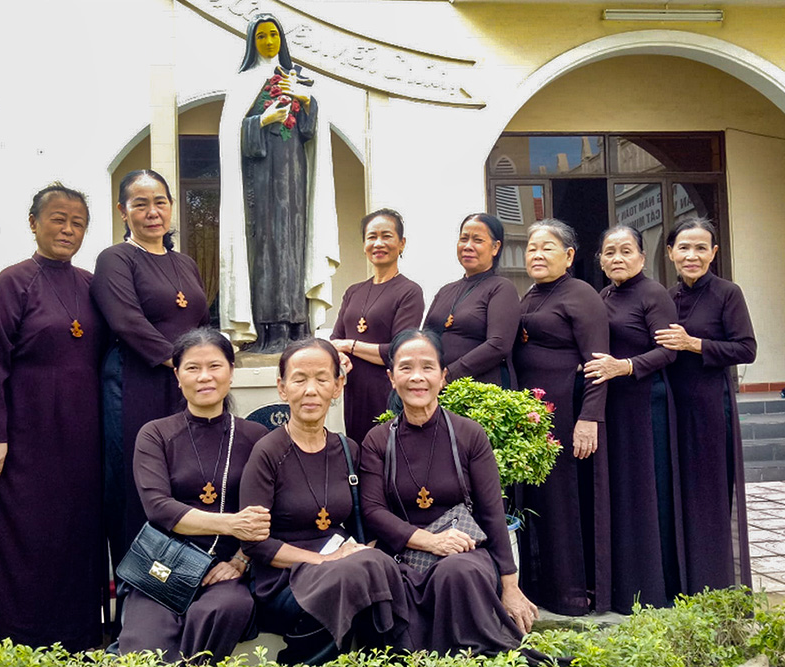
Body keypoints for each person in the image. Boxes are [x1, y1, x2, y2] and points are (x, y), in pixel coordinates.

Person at [0, 183, 106, 651]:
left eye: (78, 223)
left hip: (83, 437)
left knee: (76, 533)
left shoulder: (91, 285)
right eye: (58, 219)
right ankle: (19, 639)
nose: (68, 230)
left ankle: (79, 637)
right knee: (25, 535)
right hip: (23, 438)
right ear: (34, 223)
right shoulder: (12, 282)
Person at [360, 329, 539, 657]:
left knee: (457, 572)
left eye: (427, 368)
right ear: (391, 377)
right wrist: (429, 541)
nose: (417, 378)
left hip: (464, 556)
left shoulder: (468, 434)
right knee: (388, 580)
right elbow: (373, 510)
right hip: (405, 558)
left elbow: (491, 513)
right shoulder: (377, 439)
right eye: (406, 368)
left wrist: (510, 586)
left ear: (443, 377)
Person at [239, 339, 409, 665]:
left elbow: (369, 518)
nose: (311, 390)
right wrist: (327, 562)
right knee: (361, 570)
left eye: (322, 378)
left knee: (375, 563)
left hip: (348, 567)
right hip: (284, 579)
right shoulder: (267, 453)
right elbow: (254, 545)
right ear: (282, 387)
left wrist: (358, 552)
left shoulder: (348, 450)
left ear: (338, 385)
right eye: (300, 379)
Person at [116, 328, 270, 662]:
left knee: (230, 607)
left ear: (231, 371)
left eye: (215, 366)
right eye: (192, 368)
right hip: (163, 565)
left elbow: (266, 509)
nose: (204, 377)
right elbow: (159, 508)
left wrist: (241, 559)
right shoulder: (155, 434)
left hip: (224, 569)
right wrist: (233, 524)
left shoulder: (256, 437)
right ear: (177, 375)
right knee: (146, 646)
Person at [90, 170, 209, 587]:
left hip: (183, 388)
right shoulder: (115, 259)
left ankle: (182, 586)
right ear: (123, 211)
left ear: (171, 207)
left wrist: (208, 365)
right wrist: (184, 364)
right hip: (135, 384)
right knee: (136, 485)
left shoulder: (185, 263)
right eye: (140, 204)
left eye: (160, 201)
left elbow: (201, 322)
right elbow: (127, 321)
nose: (152, 212)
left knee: (184, 482)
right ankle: (134, 592)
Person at [218, 12, 339, 352]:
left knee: (295, 244)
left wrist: (302, 100)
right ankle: (268, 328)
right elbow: (231, 137)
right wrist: (261, 120)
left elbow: (311, 130)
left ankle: (297, 326)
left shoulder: (296, 79)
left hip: (295, 175)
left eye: (274, 36)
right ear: (252, 43)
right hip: (259, 181)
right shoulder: (242, 83)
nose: (269, 42)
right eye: (261, 37)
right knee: (266, 246)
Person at [512, 219, 611, 616]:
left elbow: (598, 363)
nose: (536, 254)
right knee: (541, 500)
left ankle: (573, 591)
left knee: (566, 499)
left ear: (569, 256)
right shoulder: (531, 295)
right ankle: (544, 585)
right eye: (532, 247)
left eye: (547, 247)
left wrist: (589, 418)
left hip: (568, 413)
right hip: (535, 417)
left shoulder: (581, 294)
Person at [583, 225, 684, 614]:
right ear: (601, 260)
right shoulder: (603, 296)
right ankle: (621, 586)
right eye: (609, 252)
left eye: (626, 251)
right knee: (620, 495)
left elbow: (668, 352)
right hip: (613, 406)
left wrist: (624, 366)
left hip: (646, 404)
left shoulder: (653, 293)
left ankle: (653, 589)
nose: (617, 259)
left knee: (648, 494)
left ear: (642, 257)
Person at [655, 217, 756, 594]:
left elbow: (746, 348)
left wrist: (694, 344)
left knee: (709, 496)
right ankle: (678, 582)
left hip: (711, 406)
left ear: (714, 252)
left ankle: (712, 587)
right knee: (674, 491)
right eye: (684, 247)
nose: (691, 255)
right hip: (671, 407)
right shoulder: (665, 296)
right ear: (670, 253)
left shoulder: (727, 293)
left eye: (701, 248)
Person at [331, 209, 424, 442]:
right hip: (354, 391)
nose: (378, 243)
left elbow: (397, 351)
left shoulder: (409, 292)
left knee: (386, 453)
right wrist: (339, 354)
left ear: (401, 244)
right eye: (372, 237)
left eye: (386, 236)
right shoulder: (354, 291)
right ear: (364, 244)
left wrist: (349, 346)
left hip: (387, 391)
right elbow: (335, 340)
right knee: (358, 452)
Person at [424, 213, 520, 388]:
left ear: (495, 247)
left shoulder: (501, 288)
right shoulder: (446, 290)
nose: (468, 246)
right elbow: (425, 337)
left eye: (477, 240)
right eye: (464, 239)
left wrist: (449, 375)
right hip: (436, 389)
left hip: (482, 392)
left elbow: (498, 345)